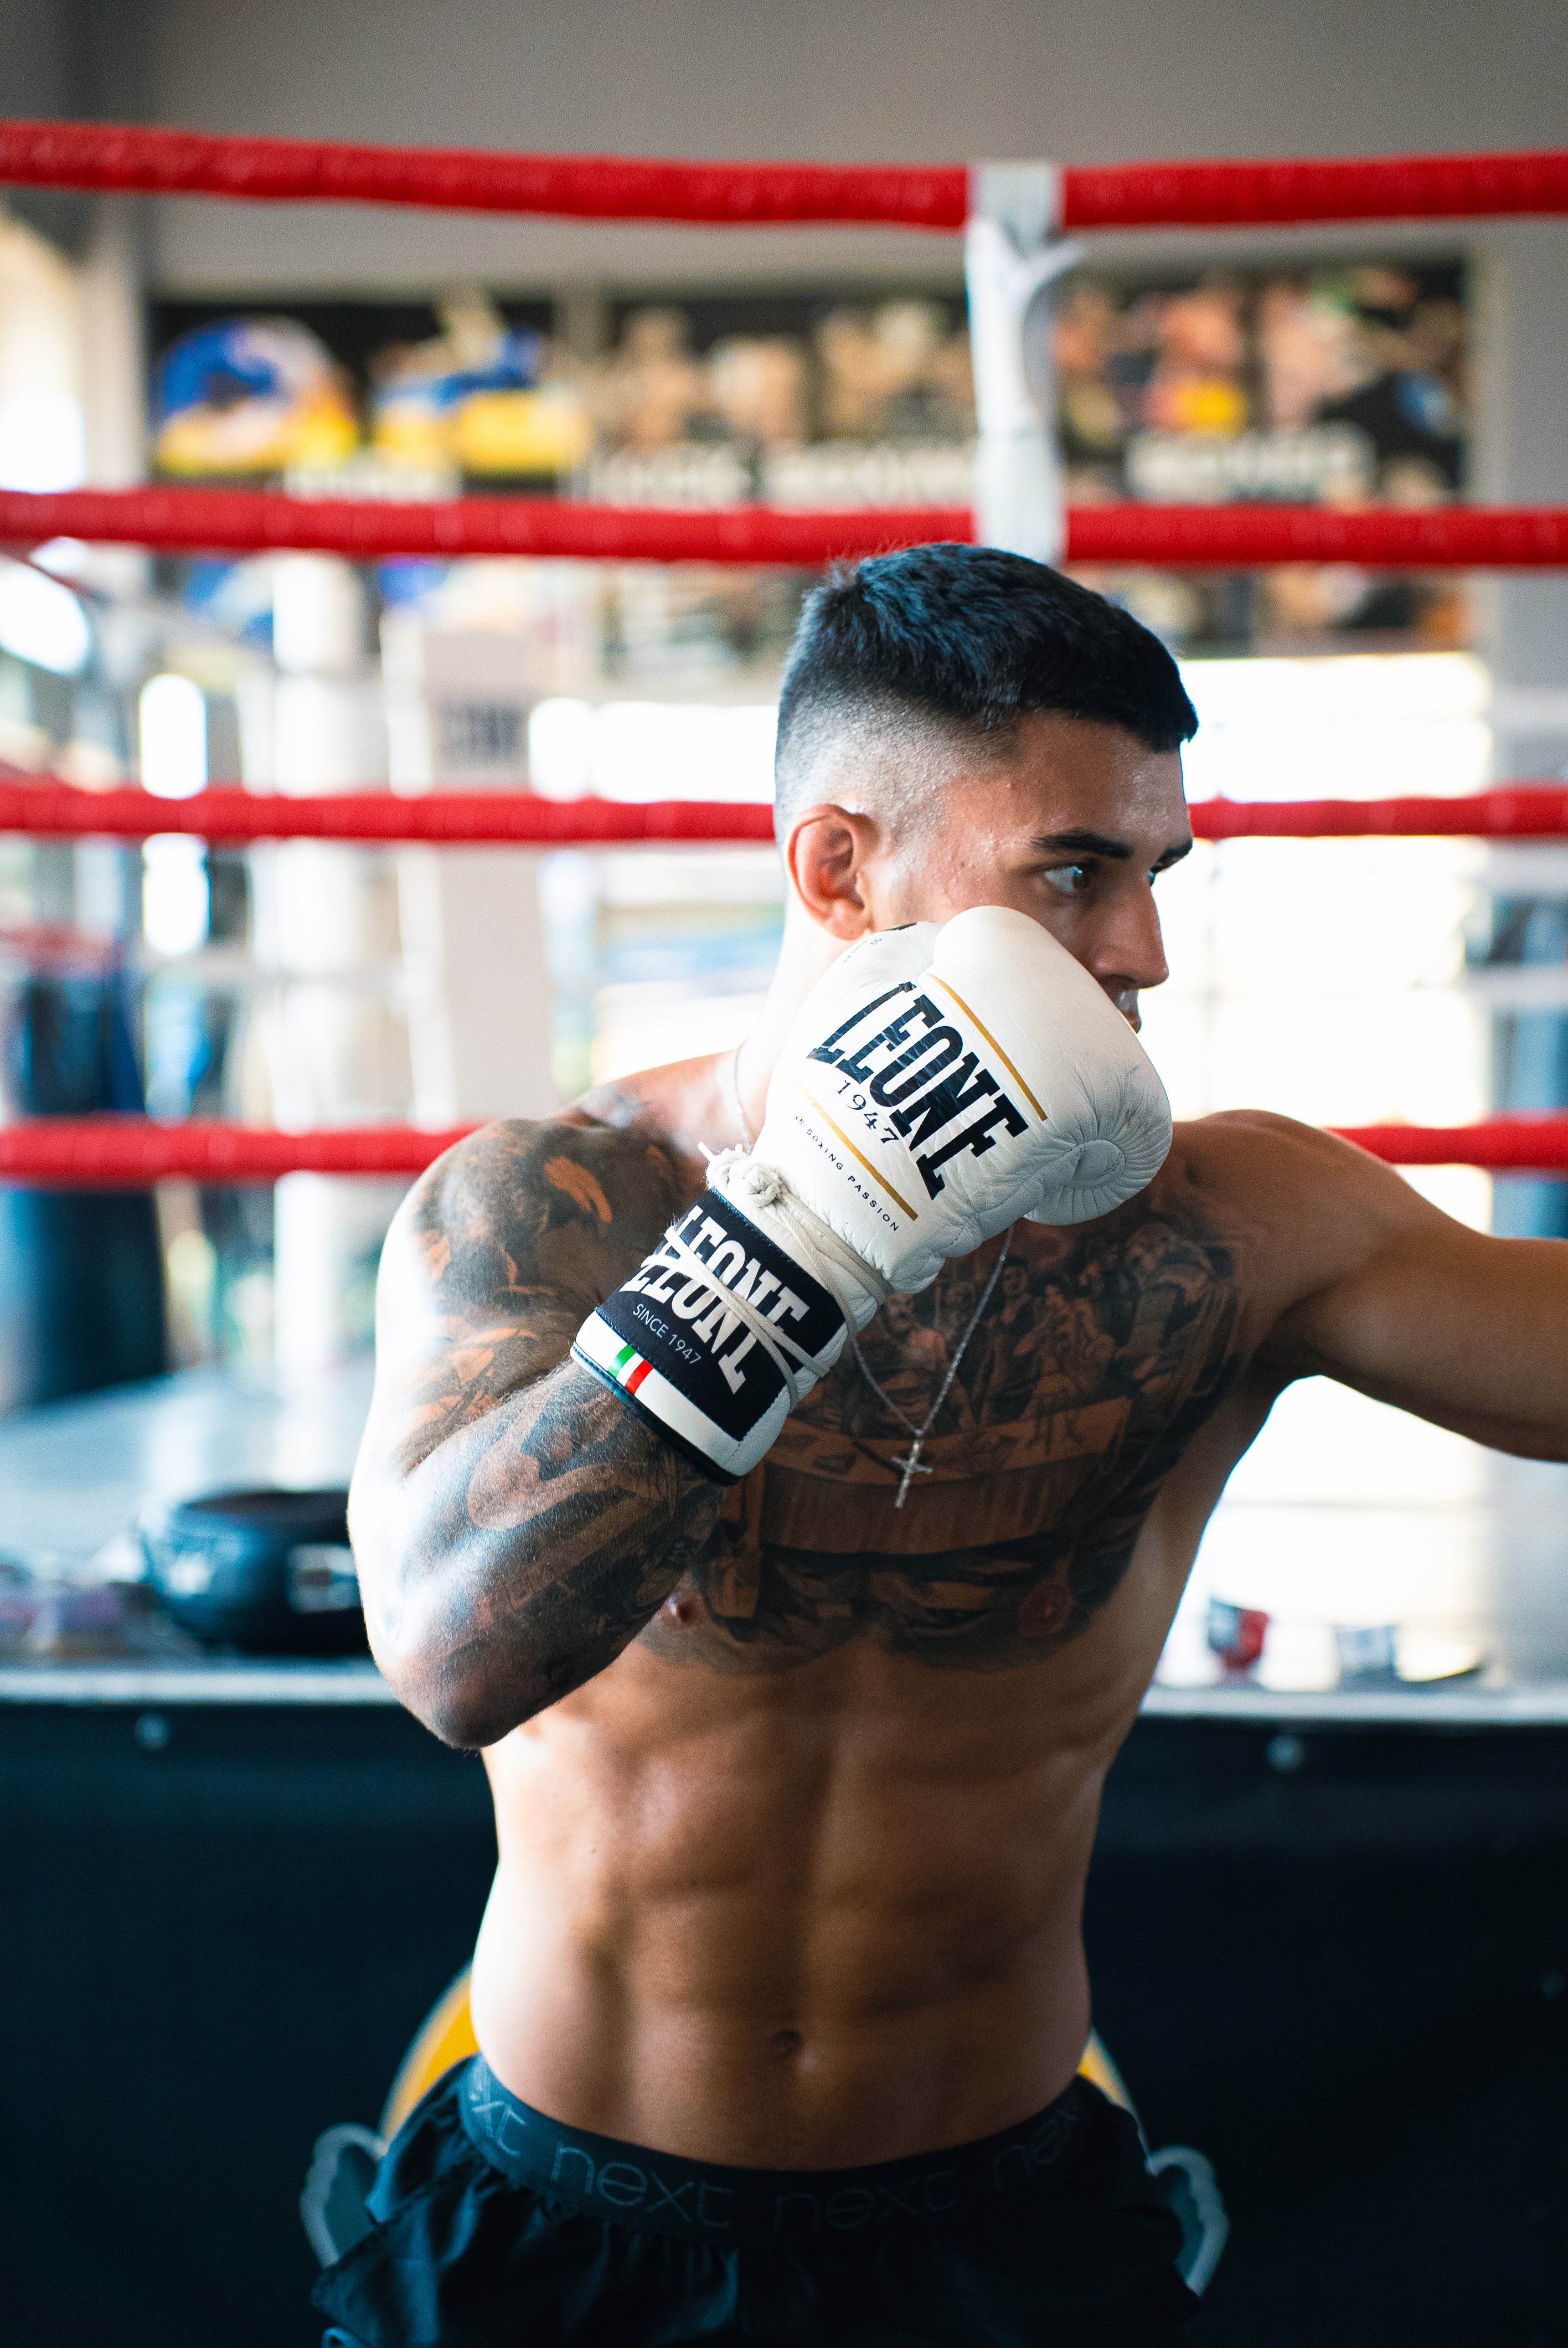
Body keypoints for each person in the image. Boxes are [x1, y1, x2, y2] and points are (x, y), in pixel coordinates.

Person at [326, 546, 1568, 2348]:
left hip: (999, 2231)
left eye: (1157, 875)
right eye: (1074, 872)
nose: (1140, 949)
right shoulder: (561, 1206)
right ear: (840, 867)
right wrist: (813, 1222)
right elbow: (453, 1653)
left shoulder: (1231, 1227)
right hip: (561, 2220)